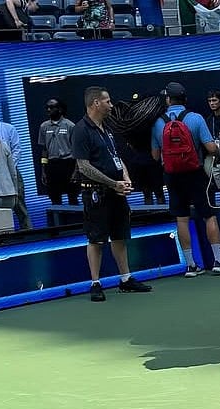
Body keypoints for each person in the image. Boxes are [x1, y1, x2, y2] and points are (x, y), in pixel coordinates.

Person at [72, 86, 152, 302]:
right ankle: (95, 283)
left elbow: (116, 156)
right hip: (96, 193)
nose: (111, 105)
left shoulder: (106, 128)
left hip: (117, 192)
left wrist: (125, 178)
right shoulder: (81, 130)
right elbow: (83, 166)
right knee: (96, 239)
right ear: (96, 103)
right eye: (108, 101)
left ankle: (125, 278)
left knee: (120, 235)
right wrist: (112, 183)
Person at [152, 82, 220, 277]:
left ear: (168, 99)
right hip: (196, 173)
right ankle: (219, 261)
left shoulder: (158, 123)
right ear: (185, 99)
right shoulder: (196, 118)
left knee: (181, 219)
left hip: (172, 176)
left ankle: (191, 266)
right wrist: (216, 151)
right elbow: (211, 148)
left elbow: (155, 156)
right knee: (209, 215)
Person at [38, 98, 81, 207]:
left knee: (73, 197)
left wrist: (76, 171)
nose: (48, 110)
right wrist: (43, 170)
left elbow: (77, 150)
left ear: (60, 109)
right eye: (47, 107)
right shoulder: (44, 127)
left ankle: (75, 217)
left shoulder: (70, 126)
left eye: (52, 107)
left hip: (68, 164)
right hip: (52, 165)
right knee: (54, 197)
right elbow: (44, 150)